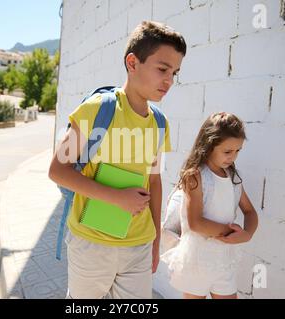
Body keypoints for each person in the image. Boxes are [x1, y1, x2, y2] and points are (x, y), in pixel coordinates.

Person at [49, 21, 186, 299]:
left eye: (175, 72)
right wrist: (117, 197)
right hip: (91, 243)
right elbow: (57, 170)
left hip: (139, 245)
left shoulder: (160, 124)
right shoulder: (97, 109)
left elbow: (154, 181)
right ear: (133, 63)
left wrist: (156, 241)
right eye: (162, 69)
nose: (169, 80)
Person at [162, 112, 259, 299]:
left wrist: (247, 234)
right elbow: (195, 223)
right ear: (209, 145)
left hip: (223, 260)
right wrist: (231, 232)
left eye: (238, 151)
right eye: (227, 151)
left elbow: (249, 211)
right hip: (197, 261)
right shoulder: (196, 176)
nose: (233, 157)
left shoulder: (232, 177)